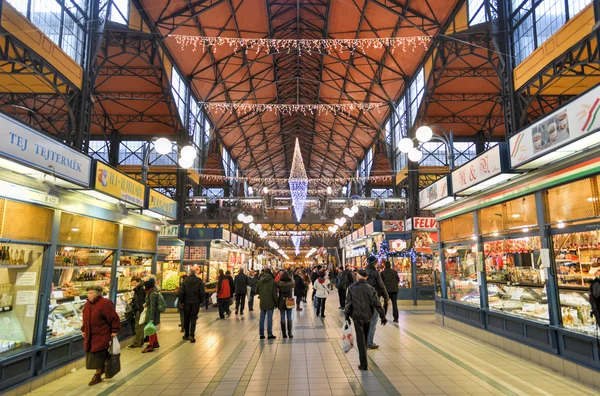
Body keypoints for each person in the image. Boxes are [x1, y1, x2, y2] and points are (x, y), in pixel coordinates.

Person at [345, 270, 387, 371]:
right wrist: (383, 316)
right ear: (366, 278)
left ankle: (363, 364)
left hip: (357, 317)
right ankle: (364, 362)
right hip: (368, 317)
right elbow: (377, 303)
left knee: (360, 340)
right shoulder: (371, 288)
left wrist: (347, 317)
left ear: (358, 276)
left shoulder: (351, 288)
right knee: (365, 337)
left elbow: (348, 304)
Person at [81, 285, 120, 386]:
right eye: (88, 293)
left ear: (97, 294)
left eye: (91, 293)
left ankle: (97, 374)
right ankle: (102, 369)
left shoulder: (105, 303)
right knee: (94, 354)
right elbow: (85, 318)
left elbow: (113, 317)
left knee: (98, 354)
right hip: (91, 335)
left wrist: (114, 330)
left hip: (102, 334)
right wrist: (84, 329)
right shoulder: (87, 305)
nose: (89, 295)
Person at [365, 255, 389, 350]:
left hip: (364, 299)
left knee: (366, 321)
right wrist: (386, 297)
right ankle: (369, 343)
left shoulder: (364, 271)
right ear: (374, 263)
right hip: (374, 298)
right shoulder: (375, 273)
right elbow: (381, 285)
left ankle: (364, 341)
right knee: (373, 320)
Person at [178, 268, 205, 342]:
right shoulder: (199, 281)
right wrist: (201, 301)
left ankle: (186, 334)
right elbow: (202, 292)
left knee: (186, 318)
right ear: (195, 273)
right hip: (196, 302)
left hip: (187, 302)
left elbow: (181, 293)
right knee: (193, 318)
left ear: (189, 273)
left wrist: (182, 301)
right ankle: (192, 335)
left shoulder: (185, 281)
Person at [257, 268, 278, 339]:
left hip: (262, 301)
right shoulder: (272, 281)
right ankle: (269, 334)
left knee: (262, 318)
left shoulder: (260, 280)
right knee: (269, 318)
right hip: (270, 302)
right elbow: (275, 294)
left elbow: (257, 290)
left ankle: (261, 334)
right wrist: (276, 303)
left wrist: (262, 293)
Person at [142, 278, 161, 353]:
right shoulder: (153, 292)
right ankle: (155, 343)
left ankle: (151, 345)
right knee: (152, 328)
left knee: (150, 329)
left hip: (152, 314)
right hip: (152, 313)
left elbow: (153, 306)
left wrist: (151, 318)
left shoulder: (152, 294)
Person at [128, 276, 145, 349]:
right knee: (139, 326)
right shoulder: (138, 288)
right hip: (139, 309)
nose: (134, 285)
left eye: (135, 283)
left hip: (140, 310)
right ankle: (140, 341)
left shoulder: (141, 289)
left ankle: (137, 342)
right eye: (133, 284)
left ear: (139, 282)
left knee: (138, 326)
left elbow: (141, 300)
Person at [277, 271, 295, 338]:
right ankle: (290, 333)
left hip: (281, 301)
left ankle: (284, 334)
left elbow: (277, 283)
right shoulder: (291, 284)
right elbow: (293, 283)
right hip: (289, 301)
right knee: (289, 317)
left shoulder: (279, 283)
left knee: (282, 318)